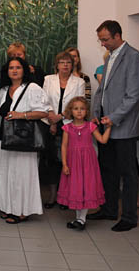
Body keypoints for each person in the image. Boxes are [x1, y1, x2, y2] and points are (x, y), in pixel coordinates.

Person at [89, 20, 139, 232]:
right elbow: (102, 90)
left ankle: (129, 217)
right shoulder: (110, 56)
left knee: (127, 172)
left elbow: (134, 95)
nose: (102, 44)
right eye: (100, 40)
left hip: (123, 125)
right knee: (108, 169)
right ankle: (109, 209)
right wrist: (97, 113)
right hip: (105, 123)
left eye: (105, 39)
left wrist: (114, 117)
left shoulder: (133, 57)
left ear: (117, 36)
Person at [0, 57, 50, 224]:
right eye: (11, 68)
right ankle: (8, 208)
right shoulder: (4, 90)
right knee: (7, 175)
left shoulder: (32, 88)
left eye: (18, 67)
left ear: (24, 70)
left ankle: (23, 211)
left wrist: (22, 115)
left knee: (23, 176)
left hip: (25, 140)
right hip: (6, 139)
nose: (14, 70)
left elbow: (44, 112)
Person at [57, 97, 111, 230]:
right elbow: (64, 146)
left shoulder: (91, 126)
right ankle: (78, 219)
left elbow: (103, 140)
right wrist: (64, 164)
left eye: (82, 109)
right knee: (76, 188)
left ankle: (82, 219)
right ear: (71, 111)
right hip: (73, 163)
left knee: (86, 187)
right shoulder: (67, 128)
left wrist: (109, 127)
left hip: (88, 164)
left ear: (86, 111)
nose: (79, 111)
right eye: (76, 109)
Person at [40, 52, 85, 209]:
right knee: (51, 161)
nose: (65, 65)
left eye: (68, 62)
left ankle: (66, 196)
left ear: (73, 65)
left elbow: (78, 104)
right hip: (50, 123)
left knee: (67, 161)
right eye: (62, 62)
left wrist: (60, 117)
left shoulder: (79, 82)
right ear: (57, 65)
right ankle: (53, 195)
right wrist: (52, 120)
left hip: (70, 124)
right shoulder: (48, 79)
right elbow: (44, 101)